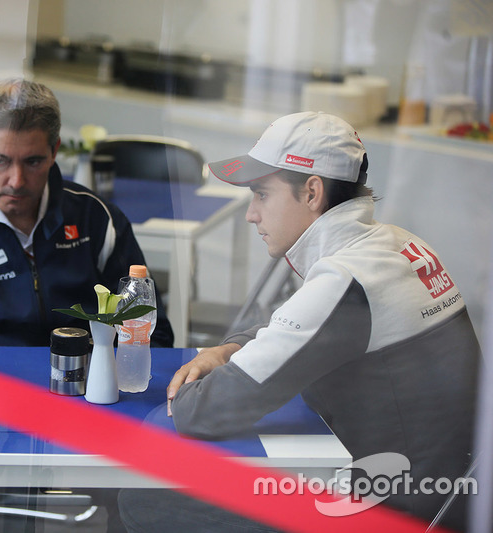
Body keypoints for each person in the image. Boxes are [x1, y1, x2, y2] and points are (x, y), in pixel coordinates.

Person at [119, 111, 480, 532]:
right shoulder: (395, 245)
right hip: (446, 488)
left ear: (312, 192)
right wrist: (230, 349)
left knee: (149, 495)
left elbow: (204, 412)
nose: (252, 214)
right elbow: (307, 326)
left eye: (262, 195)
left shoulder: (346, 279)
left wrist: (181, 398)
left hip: (395, 510)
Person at [0, 77, 174, 348]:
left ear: (54, 151)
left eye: (32, 161)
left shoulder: (97, 219)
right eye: (1, 160)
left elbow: (154, 335)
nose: (17, 180)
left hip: (91, 384)